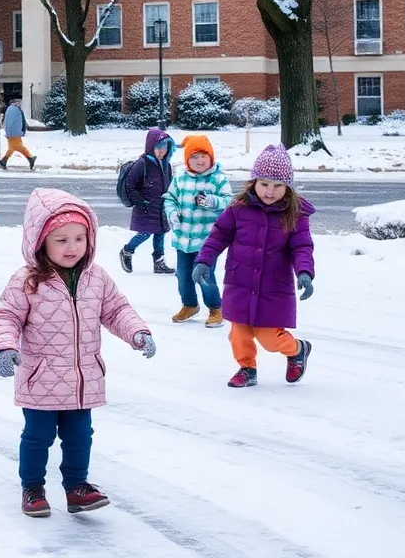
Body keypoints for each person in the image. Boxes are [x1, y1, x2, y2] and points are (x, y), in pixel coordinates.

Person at [0, 188, 156, 517]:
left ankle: (76, 487)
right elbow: (7, 315)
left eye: (79, 239)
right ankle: (33, 487)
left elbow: (116, 310)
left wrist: (137, 331)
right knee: (38, 437)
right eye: (62, 240)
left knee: (80, 436)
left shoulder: (96, 278)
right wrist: (5, 347)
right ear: (41, 241)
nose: (72, 248)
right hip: (41, 380)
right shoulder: (27, 281)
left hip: (84, 379)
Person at [194, 145, 316, 388]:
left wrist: (304, 272)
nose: (270, 191)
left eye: (277, 186)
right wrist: (204, 259)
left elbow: (301, 246)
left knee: (270, 338)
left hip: (273, 286)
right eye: (264, 184)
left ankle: (298, 349)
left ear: (288, 187)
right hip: (240, 281)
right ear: (253, 182)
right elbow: (219, 235)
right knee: (238, 333)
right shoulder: (238, 208)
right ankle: (247, 368)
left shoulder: (294, 213)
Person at [162, 135, 232, 327]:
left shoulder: (218, 179)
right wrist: (172, 213)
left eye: (203, 156)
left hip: (207, 240)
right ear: (187, 160)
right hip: (182, 237)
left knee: (204, 274)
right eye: (194, 157)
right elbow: (170, 198)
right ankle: (190, 304)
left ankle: (216, 308)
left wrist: (212, 201)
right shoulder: (180, 178)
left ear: (211, 157)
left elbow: (229, 202)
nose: (199, 161)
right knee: (183, 275)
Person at [118, 128, 175, 275]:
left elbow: (169, 185)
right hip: (145, 206)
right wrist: (141, 202)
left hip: (161, 206)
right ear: (151, 147)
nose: (162, 151)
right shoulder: (142, 164)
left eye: (165, 147)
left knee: (160, 233)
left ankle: (159, 262)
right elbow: (130, 184)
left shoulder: (166, 165)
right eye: (159, 147)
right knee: (145, 233)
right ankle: (127, 251)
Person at [0, 99, 35, 171]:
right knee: (17, 146)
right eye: (17, 102)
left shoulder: (12, 109)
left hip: (14, 131)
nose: (19, 103)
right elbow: (10, 122)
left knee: (13, 147)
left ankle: (4, 160)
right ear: (14, 102)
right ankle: (30, 158)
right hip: (14, 132)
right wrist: (10, 132)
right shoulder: (14, 110)